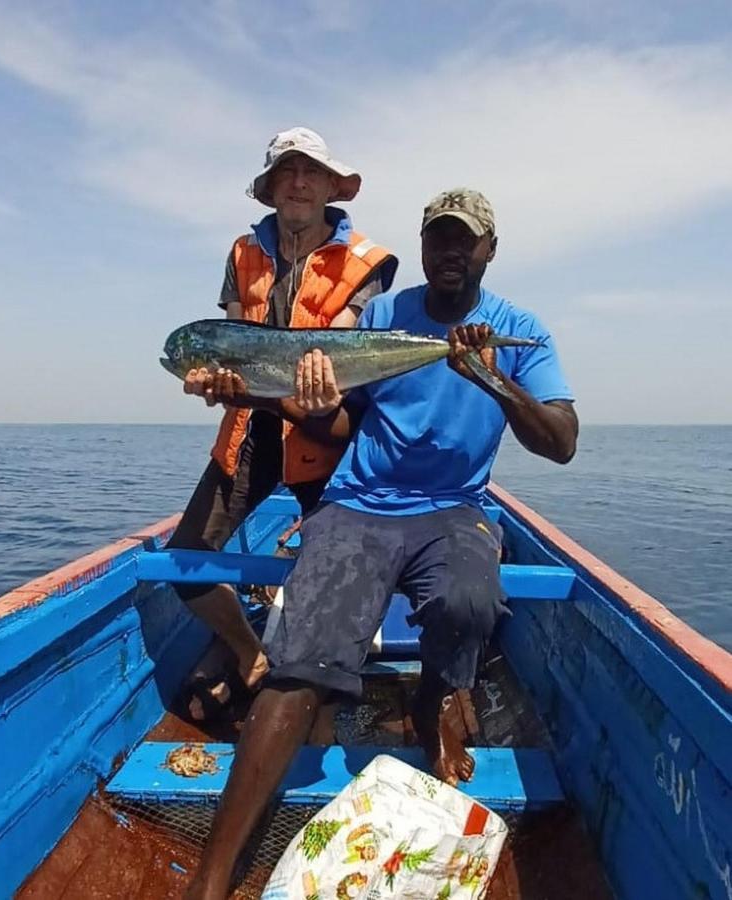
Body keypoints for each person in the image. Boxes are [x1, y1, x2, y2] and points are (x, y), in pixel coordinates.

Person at [185, 187, 579, 899]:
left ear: (489, 250)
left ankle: (431, 704)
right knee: (298, 656)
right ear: (423, 248)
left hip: (453, 508)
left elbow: (560, 443)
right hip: (358, 503)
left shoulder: (522, 329)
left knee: (467, 601)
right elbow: (338, 427)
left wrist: (493, 381)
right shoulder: (382, 318)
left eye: (465, 240)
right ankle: (211, 879)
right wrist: (305, 409)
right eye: (438, 239)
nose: (450, 251)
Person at [168, 127, 397, 716]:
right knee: (186, 560)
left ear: (329, 186)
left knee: (337, 574)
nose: (298, 184)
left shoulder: (364, 261)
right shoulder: (242, 255)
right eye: (286, 175)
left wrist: (301, 388)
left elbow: (339, 356)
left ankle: (315, 683)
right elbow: (232, 337)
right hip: (247, 434)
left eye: (310, 173)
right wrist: (217, 383)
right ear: (271, 191)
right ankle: (249, 653)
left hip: (327, 435)